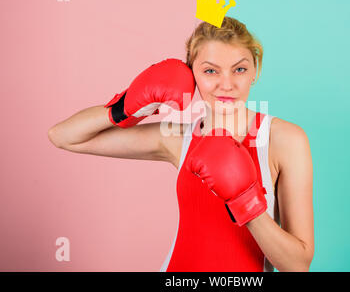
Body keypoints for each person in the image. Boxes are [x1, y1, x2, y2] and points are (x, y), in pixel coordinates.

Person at [48, 16, 314, 272]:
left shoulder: (283, 140)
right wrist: (126, 106)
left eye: (239, 69)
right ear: (191, 73)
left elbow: (298, 265)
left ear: (254, 70)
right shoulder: (178, 139)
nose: (227, 84)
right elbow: (63, 136)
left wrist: (247, 205)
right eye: (210, 70)